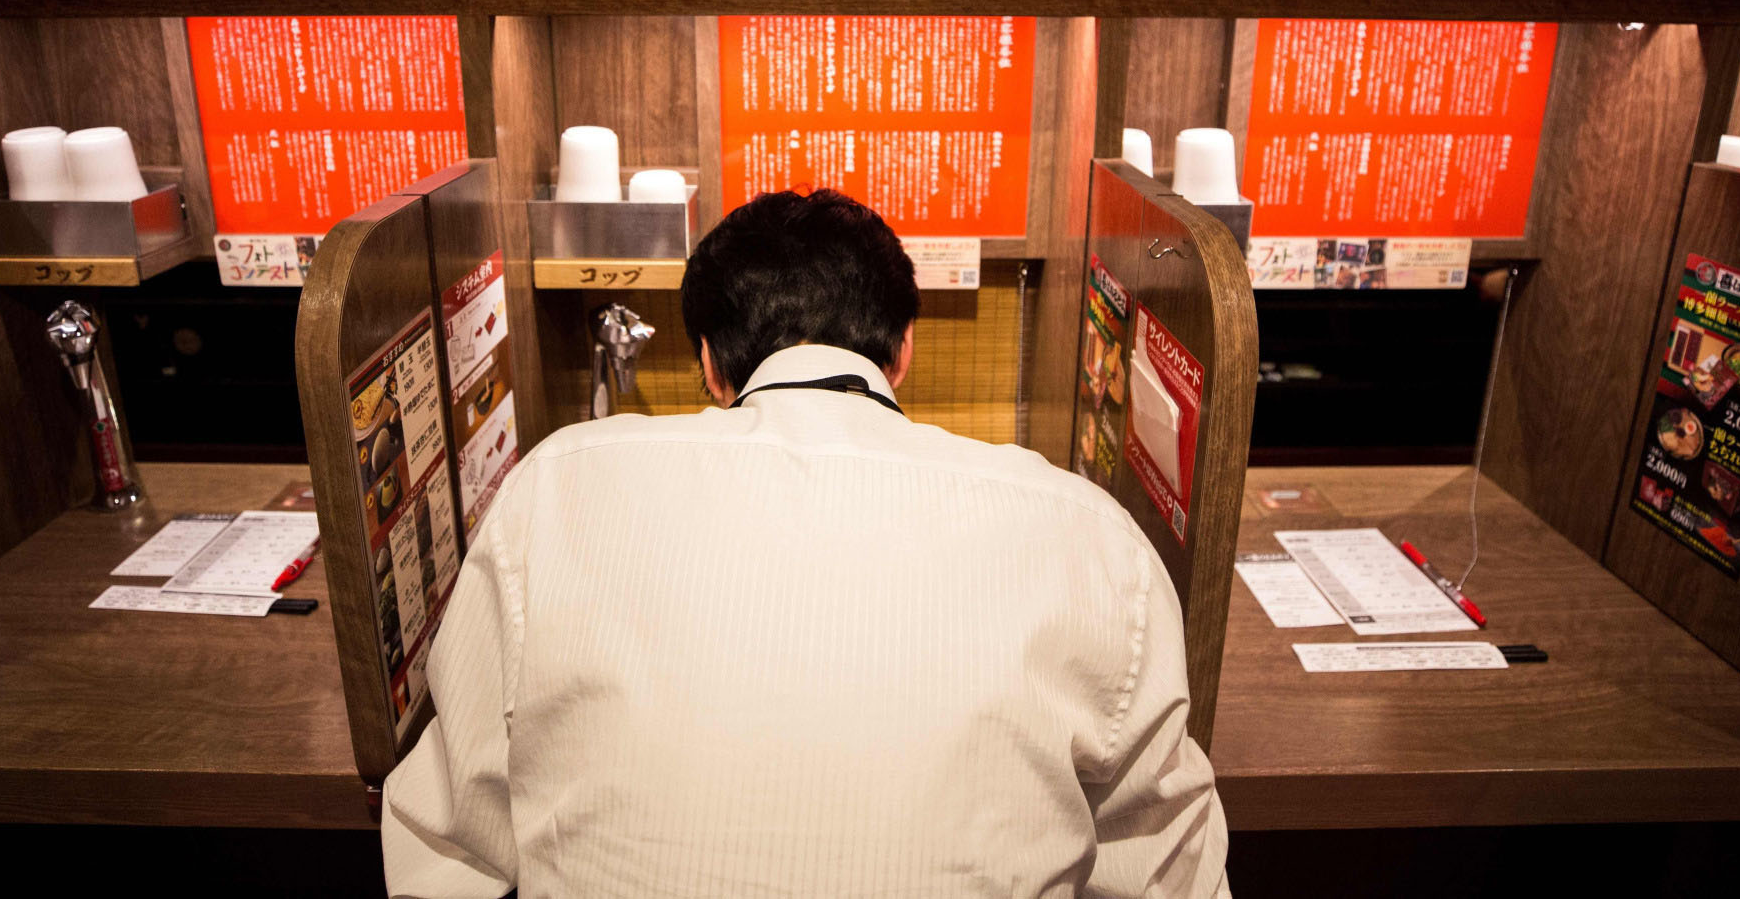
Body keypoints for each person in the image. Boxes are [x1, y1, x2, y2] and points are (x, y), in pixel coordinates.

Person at [382, 189, 1230, 897]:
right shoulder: (1088, 536)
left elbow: (445, 842)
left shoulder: (557, 487)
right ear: (903, 352)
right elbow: (1172, 872)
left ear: (711, 365)